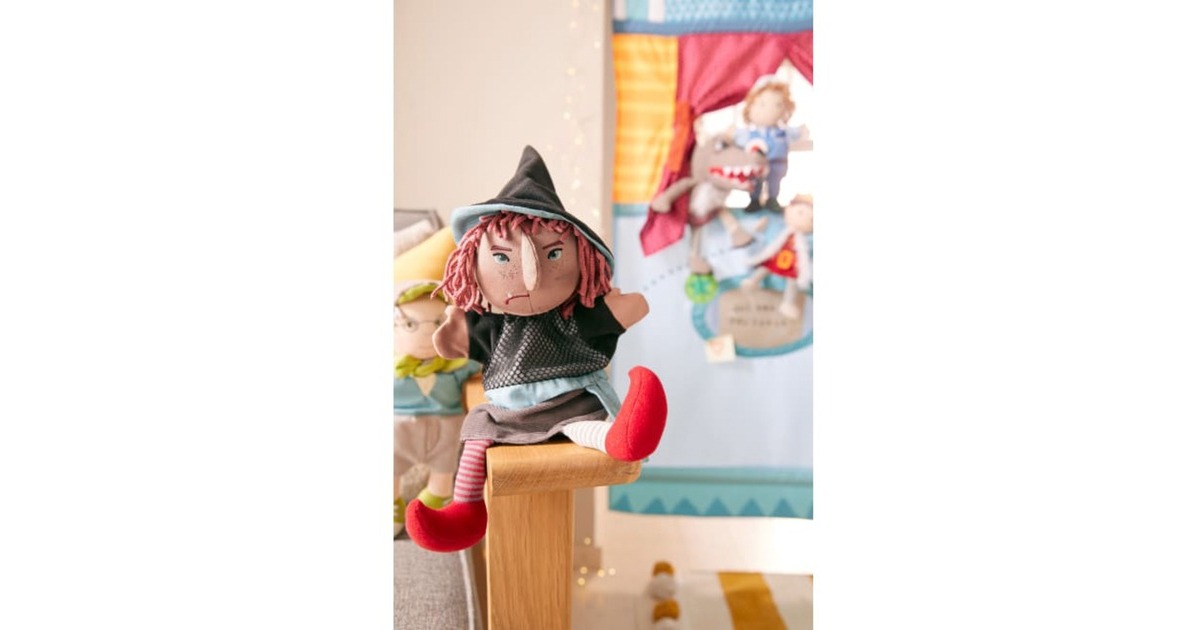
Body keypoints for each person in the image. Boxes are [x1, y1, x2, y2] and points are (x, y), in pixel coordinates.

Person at [404, 146, 669, 553]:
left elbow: (617, 314)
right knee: (477, 435)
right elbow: (455, 342)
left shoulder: (572, 317)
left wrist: (618, 309)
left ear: (583, 260)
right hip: (506, 413)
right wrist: (451, 330)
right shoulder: (488, 321)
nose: (530, 278)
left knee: (580, 428)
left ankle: (621, 439)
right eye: (501, 257)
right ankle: (466, 510)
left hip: (570, 402)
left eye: (554, 254)